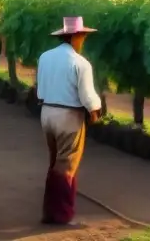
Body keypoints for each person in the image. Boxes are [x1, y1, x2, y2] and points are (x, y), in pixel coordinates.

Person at [35, 15, 103, 227]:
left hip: (47, 113)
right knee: (66, 165)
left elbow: (40, 88)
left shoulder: (45, 57)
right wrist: (95, 112)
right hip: (68, 116)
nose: (83, 41)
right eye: (82, 36)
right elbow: (88, 96)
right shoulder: (80, 63)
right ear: (75, 37)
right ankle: (61, 214)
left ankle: (49, 211)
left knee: (55, 161)